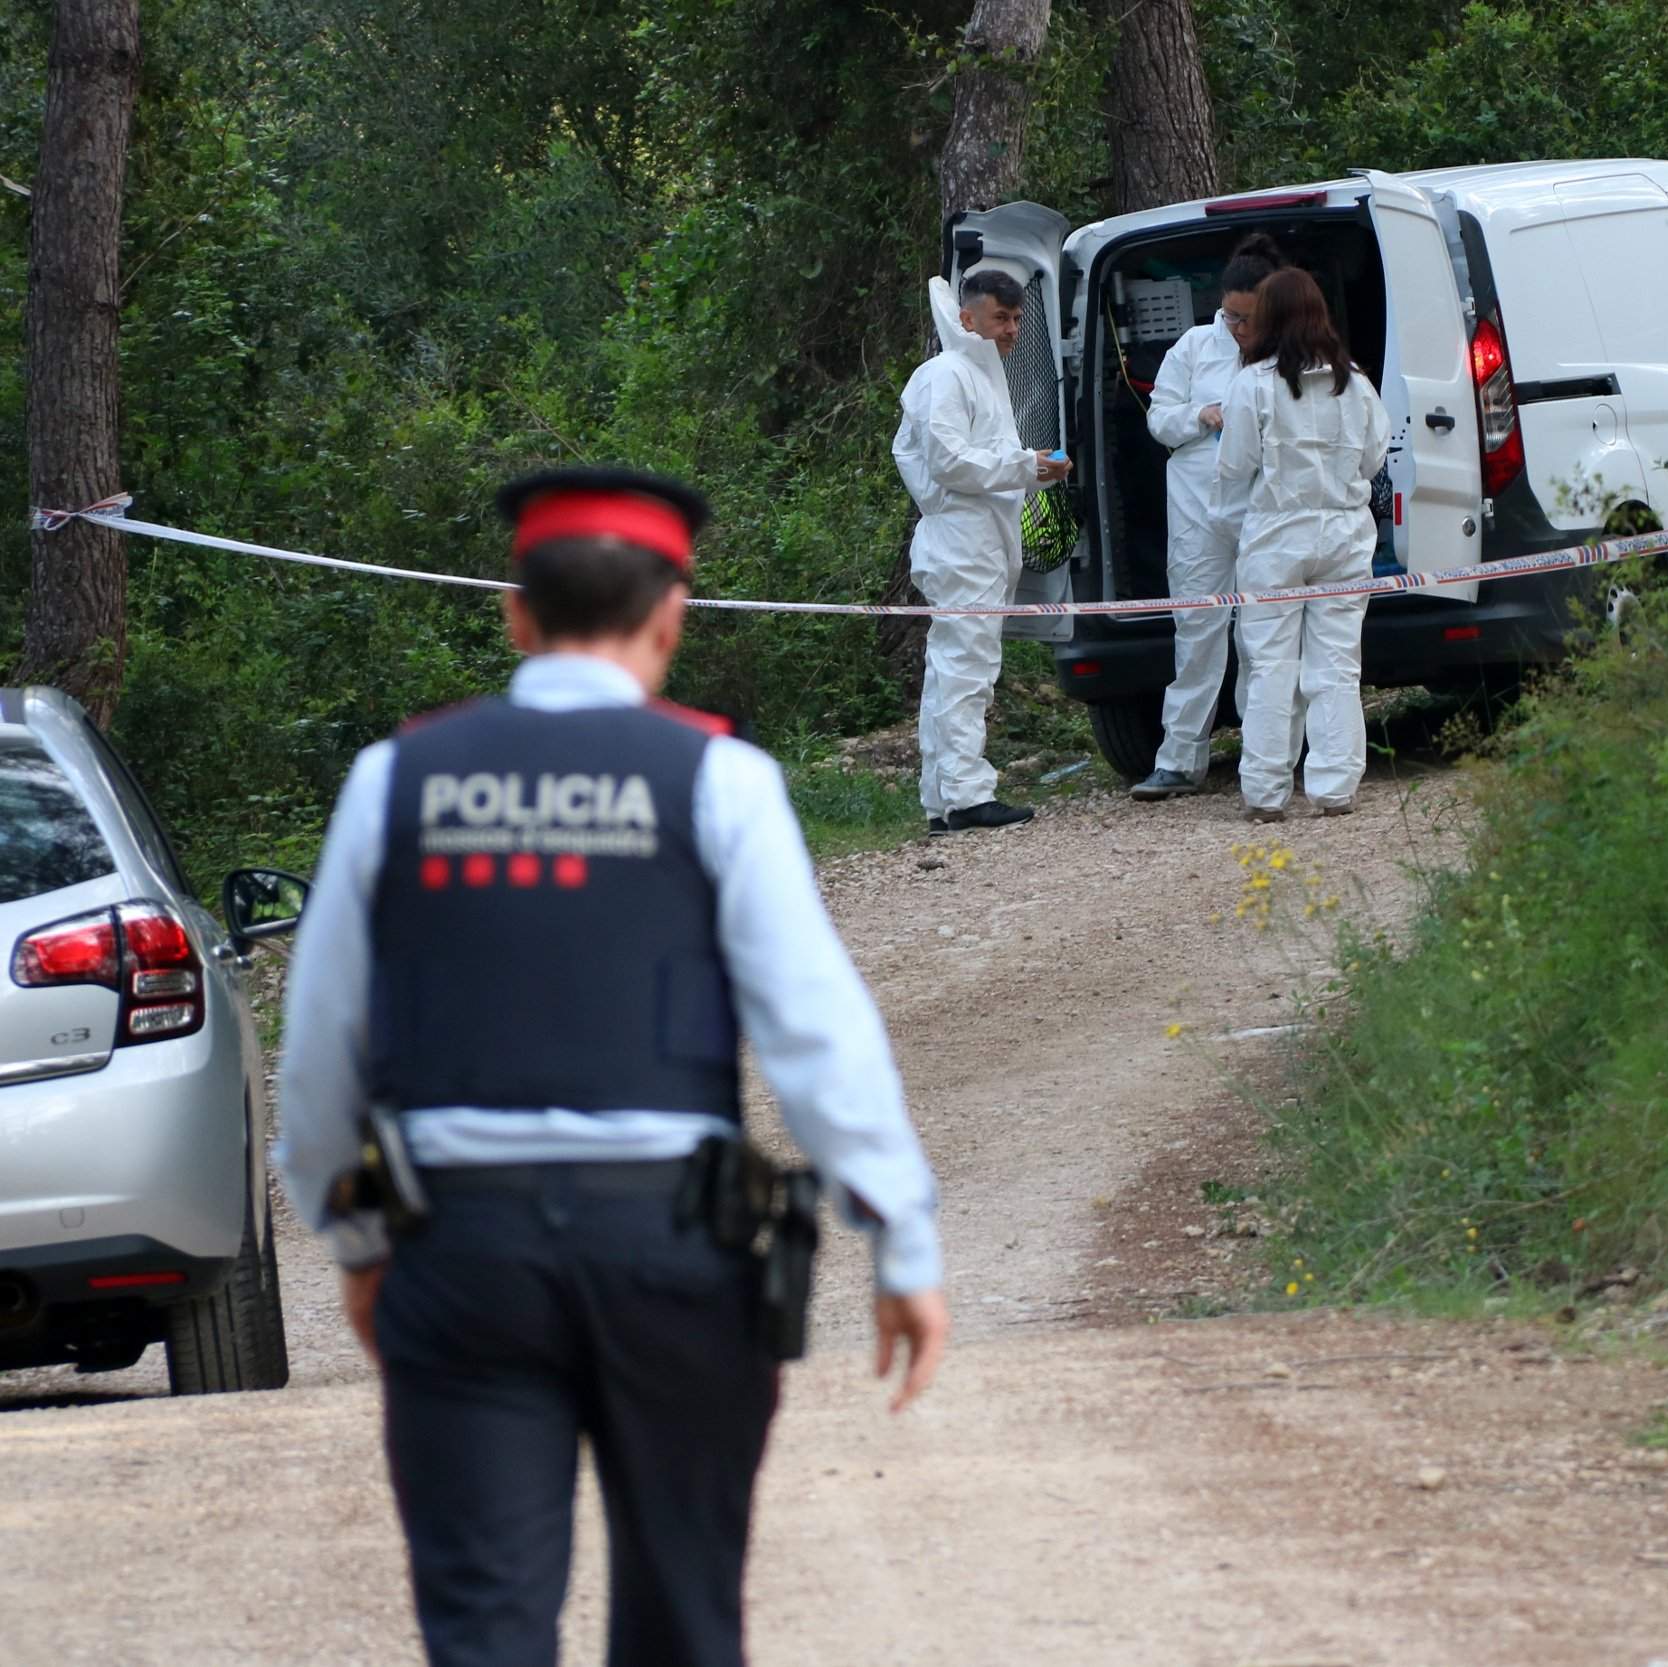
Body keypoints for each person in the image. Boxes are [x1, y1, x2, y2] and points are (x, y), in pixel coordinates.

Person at [274, 467, 951, 1667]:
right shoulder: (719, 780)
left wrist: (362, 1243)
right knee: (686, 1622)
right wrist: (898, 1235)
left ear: (514, 614)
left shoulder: (399, 779)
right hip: (674, 1259)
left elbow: (322, 1050)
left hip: (460, 1255)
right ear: (671, 616)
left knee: (486, 1629)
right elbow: (814, 1030)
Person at [892, 268, 1074, 833]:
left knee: (955, 670)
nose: (1011, 329)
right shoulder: (944, 375)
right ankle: (967, 795)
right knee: (965, 670)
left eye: (1018, 319)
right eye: (1002, 318)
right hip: (960, 543)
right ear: (967, 318)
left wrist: (1038, 471)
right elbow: (948, 463)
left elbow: (987, 465)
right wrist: (1026, 464)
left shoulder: (984, 379)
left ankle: (944, 797)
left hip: (983, 543)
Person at [1217, 269, 1390, 823]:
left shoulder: (1253, 384)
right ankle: (1335, 787)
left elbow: (1234, 466)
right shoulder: (1356, 382)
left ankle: (1266, 793)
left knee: (1271, 665)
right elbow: (1374, 458)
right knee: (1337, 663)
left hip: (1275, 536)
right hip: (1344, 534)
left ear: (1268, 318)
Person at [1128, 234, 1284, 802]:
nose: (1239, 327)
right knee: (1197, 628)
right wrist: (1204, 413)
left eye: (1250, 318)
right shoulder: (1194, 346)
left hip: (1263, 507)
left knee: (1262, 631)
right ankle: (1179, 759)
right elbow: (1160, 420)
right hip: (1196, 506)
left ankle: (1265, 755)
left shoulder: (1286, 352)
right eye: (1231, 315)